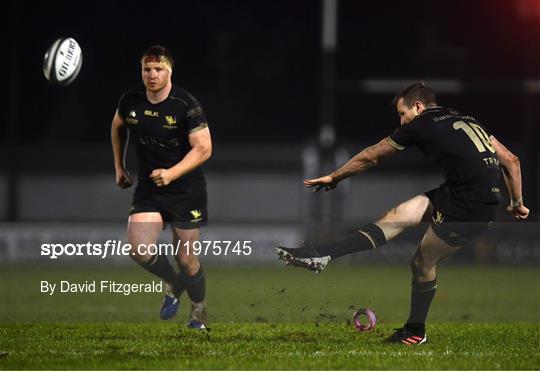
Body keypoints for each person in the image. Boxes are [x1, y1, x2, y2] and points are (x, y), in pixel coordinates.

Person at [277, 82, 529, 345]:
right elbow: (511, 160)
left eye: (402, 113)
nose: (401, 120)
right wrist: (517, 202)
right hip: (464, 194)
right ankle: (324, 253)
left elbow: (372, 157)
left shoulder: (420, 124)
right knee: (399, 214)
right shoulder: (466, 119)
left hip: (468, 206)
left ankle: (415, 331)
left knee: (422, 263)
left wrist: (335, 176)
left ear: (418, 107)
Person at [111, 46, 212, 329]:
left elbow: (204, 148)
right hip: (150, 189)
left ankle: (198, 313)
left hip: (186, 189)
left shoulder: (185, 104)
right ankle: (172, 282)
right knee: (138, 249)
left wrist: (172, 173)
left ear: (169, 71)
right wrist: (119, 166)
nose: (152, 75)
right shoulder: (130, 101)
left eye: (158, 69)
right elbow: (118, 126)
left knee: (186, 258)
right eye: (147, 69)